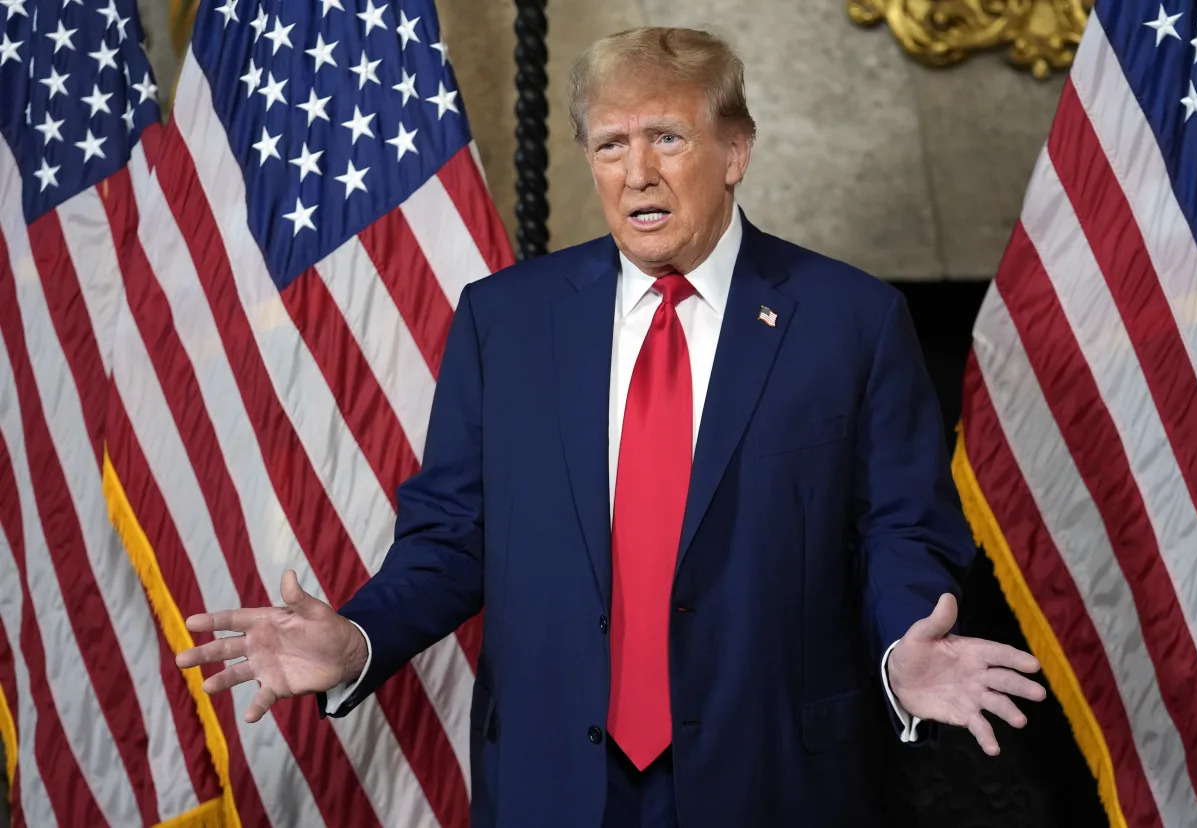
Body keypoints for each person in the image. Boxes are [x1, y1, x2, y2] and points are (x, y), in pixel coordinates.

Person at [176, 26, 1046, 827]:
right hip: (552, 780)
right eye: (611, 145)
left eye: (667, 137)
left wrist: (903, 649)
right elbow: (451, 539)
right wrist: (360, 636)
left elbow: (900, 528)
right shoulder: (504, 322)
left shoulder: (851, 319)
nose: (638, 172)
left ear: (736, 150)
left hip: (773, 775)